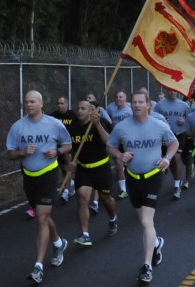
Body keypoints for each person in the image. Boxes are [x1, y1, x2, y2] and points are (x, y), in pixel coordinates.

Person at [106, 90, 179, 284]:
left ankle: (146, 266)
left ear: (148, 105)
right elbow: (110, 145)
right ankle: (156, 243)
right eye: (134, 102)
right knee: (144, 222)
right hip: (132, 178)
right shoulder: (121, 127)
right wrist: (119, 155)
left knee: (147, 222)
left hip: (153, 177)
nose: (137, 105)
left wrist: (167, 158)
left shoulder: (158, 125)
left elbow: (173, 142)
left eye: (140, 102)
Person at [6, 90, 71, 284]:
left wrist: (57, 151)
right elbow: (9, 154)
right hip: (29, 176)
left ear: (41, 103)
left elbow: (68, 144)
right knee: (43, 216)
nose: (29, 105)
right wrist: (22, 152)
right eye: (26, 102)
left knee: (41, 218)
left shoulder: (54, 124)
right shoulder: (18, 127)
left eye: (32, 102)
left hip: (48, 174)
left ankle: (38, 267)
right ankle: (59, 243)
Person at [67, 100, 118, 246]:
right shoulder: (73, 127)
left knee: (105, 198)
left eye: (83, 108)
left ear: (91, 111)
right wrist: (72, 162)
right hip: (84, 168)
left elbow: (109, 142)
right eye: (78, 108)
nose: (80, 111)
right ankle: (85, 234)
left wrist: (97, 124)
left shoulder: (100, 122)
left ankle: (113, 218)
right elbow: (73, 148)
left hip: (101, 167)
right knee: (82, 197)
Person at [154, 89, 191, 200]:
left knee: (176, 158)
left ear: (178, 92)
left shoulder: (184, 105)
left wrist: (184, 121)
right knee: (169, 161)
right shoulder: (160, 105)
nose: (172, 92)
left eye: (174, 91)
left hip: (179, 135)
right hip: (164, 136)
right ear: (166, 91)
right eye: (170, 91)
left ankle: (176, 187)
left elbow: (190, 119)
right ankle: (177, 179)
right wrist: (161, 121)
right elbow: (153, 117)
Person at [50, 96, 77, 204]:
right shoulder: (53, 116)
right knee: (63, 169)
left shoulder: (72, 115)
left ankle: (65, 192)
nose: (60, 105)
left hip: (69, 146)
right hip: (58, 146)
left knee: (68, 167)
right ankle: (71, 184)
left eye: (62, 103)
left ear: (66, 104)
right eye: (58, 103)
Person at [106, 90, 133, 199]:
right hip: (117, 141)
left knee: (131, 163)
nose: (118, 99)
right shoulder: (111, 108)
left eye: (121, 97)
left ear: (125, 98)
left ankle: (132, 180)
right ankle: (123, 190)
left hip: (129, 140)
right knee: (118, 164)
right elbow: (108, 121)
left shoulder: (130, 109)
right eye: (117, 97)